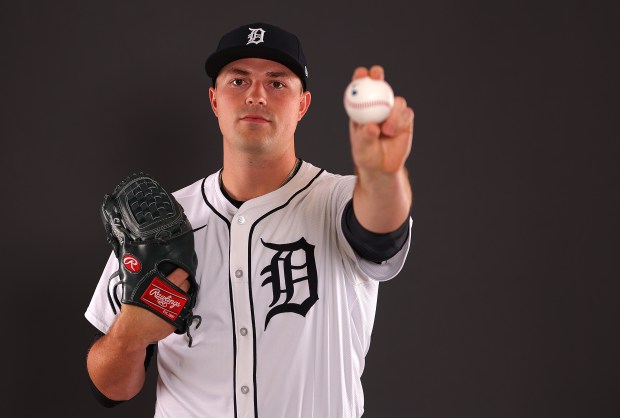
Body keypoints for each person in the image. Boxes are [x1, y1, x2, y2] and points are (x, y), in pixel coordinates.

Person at [85, 22, 414, 418]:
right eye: (238, 81)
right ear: (214, 100)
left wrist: (382, 176)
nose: (256, 95)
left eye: (277, 84)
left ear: (302, 105)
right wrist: (128, 336)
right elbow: (111, 390)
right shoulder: (162, 218)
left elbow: (381, 228)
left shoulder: (338, 200)